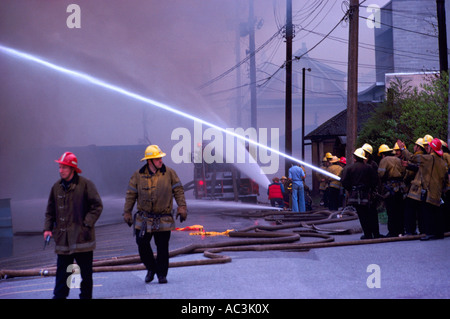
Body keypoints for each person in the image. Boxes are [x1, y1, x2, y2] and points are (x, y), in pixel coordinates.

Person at [123, 145, 187, 284]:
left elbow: (178, 190)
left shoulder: (169, 173)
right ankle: (151, 268)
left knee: (162, 247)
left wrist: (182, 207)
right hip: (144, 219)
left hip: (163, 218)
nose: (161, 161)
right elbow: (131, 194)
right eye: (158, 159)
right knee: (142, 244)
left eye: (161, 158)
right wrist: (127, 212)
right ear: (149, 161)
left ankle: (161, 275)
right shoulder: (138, 176)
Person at [44, 152, 103, 299]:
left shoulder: (85, 185)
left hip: (83, 240)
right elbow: (50, 211)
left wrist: (86, 224)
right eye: (60, 167)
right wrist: (47, 229)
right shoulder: (56, 187)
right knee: (62, 274)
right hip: (63, 241)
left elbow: (97, 206)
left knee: (86, 275)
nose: (60, 170)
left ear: (72, 168)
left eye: (64, 167)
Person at [397, 137, 448, 240]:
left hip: (429, 191)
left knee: (428, 213)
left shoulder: (428, 158)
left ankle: (429, 233)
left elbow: (412, 157)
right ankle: (439, 234)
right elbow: (445, 178)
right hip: (437, 191)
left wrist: (403, 149)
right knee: (436, 212)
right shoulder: (442, 162)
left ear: (432, 149)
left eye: (428, 146)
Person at [341, 148, 380, 239]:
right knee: (370, 214)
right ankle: (375, 234)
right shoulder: (369, 167)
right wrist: (371, 189)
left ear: (355, 158)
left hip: (355, 195)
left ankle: (367, 234)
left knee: (362, 215)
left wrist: (350, 189)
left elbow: (344, 181)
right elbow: (375, 180)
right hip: (367, 195)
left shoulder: (349, 168)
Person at [378, 144, 406, 237]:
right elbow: (403, 172)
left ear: (382, 154)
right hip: (401, 188)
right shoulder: (399, 160)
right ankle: (401, 230)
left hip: (390, 189)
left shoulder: (384, 160)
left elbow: (381, 174)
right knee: (400, 210)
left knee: (391, 211)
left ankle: (392, 232)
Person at [401, 138, 426, 235]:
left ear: (418, 147)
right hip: (421, 189)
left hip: (416, 189)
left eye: (415, 145)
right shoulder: (426, 157)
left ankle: (410, 231)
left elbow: (411, 159)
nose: (414, 147)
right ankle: (423, 230)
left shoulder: (419, 156)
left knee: (410, 210)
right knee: (420, 211)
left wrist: (403, 149)